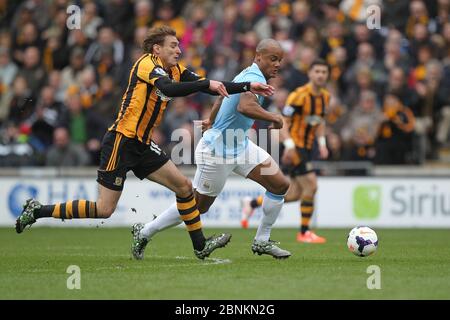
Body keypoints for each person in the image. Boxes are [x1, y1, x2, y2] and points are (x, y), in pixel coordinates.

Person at [15, 26, 274, 260]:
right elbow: (170, 88)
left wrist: (248, 85)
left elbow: (210, 86)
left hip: (142, 143)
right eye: (173, 45)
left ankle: (200, 245)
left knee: (184, 187)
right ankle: (39, 210)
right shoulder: (146, 64)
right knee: (105, 209)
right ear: (156, 48)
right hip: (121, 140)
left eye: (179, 45)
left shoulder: (174, 69)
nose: (179, 49)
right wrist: (207, 83)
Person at [131, 39, 292, 260]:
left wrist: (211, 119)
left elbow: (221, 96)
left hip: (240, 146)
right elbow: (245, 106)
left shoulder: (249, 75)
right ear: (258, 57)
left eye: (280, 60)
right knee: (197, 207)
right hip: (216, 152)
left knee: (280, 184)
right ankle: (146, 231)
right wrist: (274, 117)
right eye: (273, 59)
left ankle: (262, 241)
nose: (277, 64)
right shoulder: (253, 77)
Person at [241, 59, 330, 244]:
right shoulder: (298, 96)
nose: (320, 75)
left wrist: (322, 143)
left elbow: (319, 121)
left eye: (324, 72)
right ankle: (305, 232)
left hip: (307, 147)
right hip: (295, 146)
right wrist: (289, 146)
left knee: (295, 194)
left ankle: (252, 203)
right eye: (317, 71)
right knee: (311, 186)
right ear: (310, 74)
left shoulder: (325, 97)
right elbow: (283, 122)